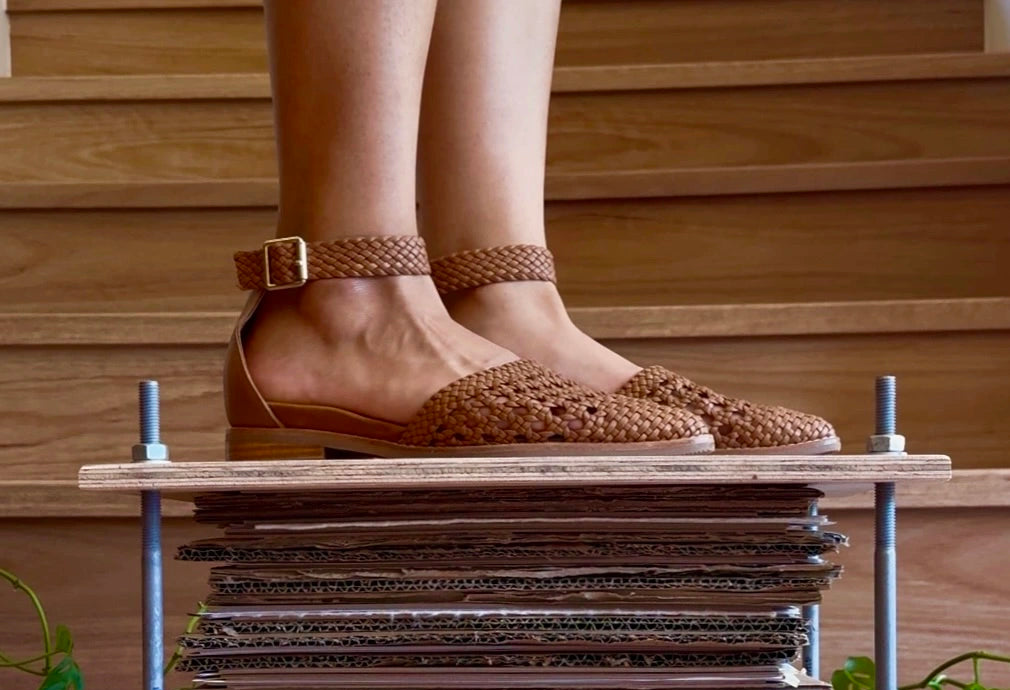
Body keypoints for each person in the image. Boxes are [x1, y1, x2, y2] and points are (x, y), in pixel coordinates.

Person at [225, 0, 838, 459]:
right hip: (334, 293)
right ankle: (343, 298)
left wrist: (497, 277)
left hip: (482, 296)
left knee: (500, 285)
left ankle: (493, 299)